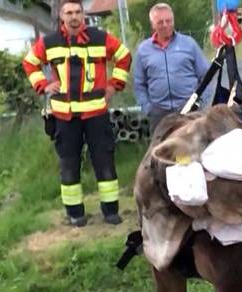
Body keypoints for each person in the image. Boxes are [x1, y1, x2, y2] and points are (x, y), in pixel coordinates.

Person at [21, 0, 132, 226]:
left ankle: (111, 212)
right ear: (61, 16)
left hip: (96, 113)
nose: (74, 17)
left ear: (83, 14)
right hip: (64, 116)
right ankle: (75, 214)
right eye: (69, 12)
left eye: (78, 12)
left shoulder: (100, 38)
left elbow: (124, 56)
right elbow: (29, 62)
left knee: (104, 161)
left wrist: (114, 85)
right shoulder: (50, 42)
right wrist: (43, 84)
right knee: (68, 164)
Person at [132, 3, 211, 131]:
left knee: (193, 149)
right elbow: (139, 84)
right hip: (159, 114)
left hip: (190, 110)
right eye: (160, 22)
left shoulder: (189, 44)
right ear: (153, 25)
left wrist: (200, 103)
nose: (165, 25)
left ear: (173, 21)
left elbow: (206, 76)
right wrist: (148, 108)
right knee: (163, 150)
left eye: (168, 21)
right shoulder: (143, 50)